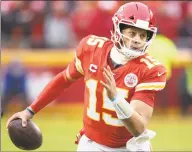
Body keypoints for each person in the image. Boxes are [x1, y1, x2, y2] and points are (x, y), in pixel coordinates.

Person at [7, 2, 167, 151]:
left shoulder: (151, 69)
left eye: (142, 35)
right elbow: (64, 80)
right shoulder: (92, 48)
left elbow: (139, 128)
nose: (137, 40)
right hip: (92, 144)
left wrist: (116, 99)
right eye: (132, 32)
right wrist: (30, 111)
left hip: (129, 146)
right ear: (119, 29)